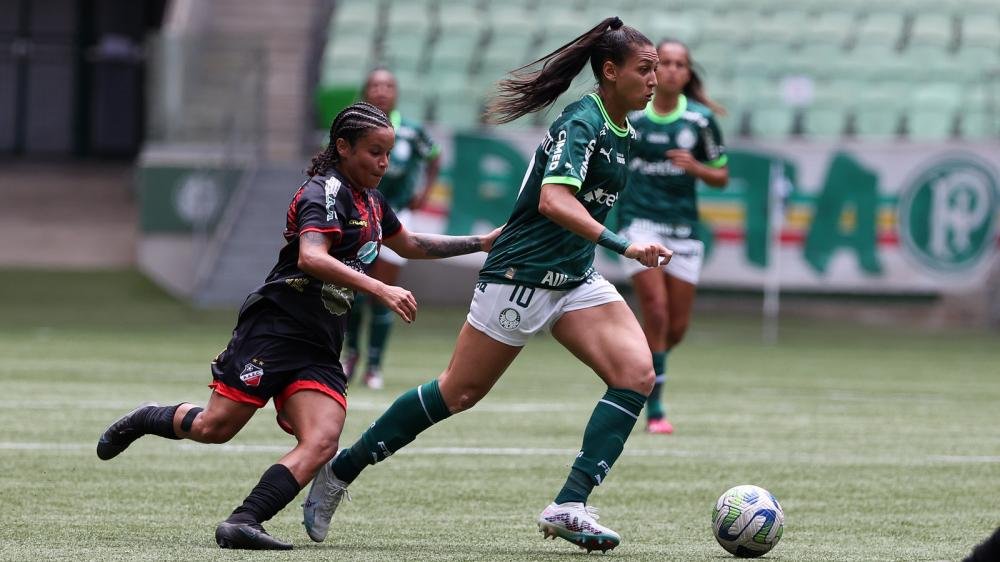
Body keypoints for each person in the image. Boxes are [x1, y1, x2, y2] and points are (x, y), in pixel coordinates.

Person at [302, 16, 668, 553]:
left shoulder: (622, 128)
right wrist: (624, 245)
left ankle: (569, 504)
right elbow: (553, 200)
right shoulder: (582, 121)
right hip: (520, 275)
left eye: (657, 68)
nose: (655, 78)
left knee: (637, 374)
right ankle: (341, 470)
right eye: (646, 68)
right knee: (459, 391)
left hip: (573, 277)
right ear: (610, 72)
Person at [95, 102, 500, 550]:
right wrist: (378, 288)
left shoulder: (372, 200)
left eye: (387, 154)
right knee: (216, 427)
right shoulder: (323, 192)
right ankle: (144, 417)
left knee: (324, 439)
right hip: (277, 326)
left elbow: (410, 244)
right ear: (343, 148)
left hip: (320, 341)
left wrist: (481, 242)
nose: (383, 164)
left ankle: (244, 520)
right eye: (373, 152)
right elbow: (312, 257)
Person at [616, 38, 728, 435]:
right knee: (657, 313)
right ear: (652, 69)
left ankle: (637, 366)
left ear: (688, 73)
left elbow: (721, 174)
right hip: (639, 224)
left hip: (683, 231)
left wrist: (696, 167)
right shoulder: (633, 118)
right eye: (665, 62)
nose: (673, 70)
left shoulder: (699, 121)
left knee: (674, 328)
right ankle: (656, 411)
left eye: (681, 63)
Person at [344, 67, 442, 390]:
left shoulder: (412, 132)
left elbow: (435, 157)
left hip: (396, 219)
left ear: (396, 92)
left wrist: (424, 195)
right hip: (356, 218)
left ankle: (373, 366)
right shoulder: (351, 130)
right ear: (365, 90)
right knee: (354, 293)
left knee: (383, 294)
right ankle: (351, 356)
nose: (382, 90)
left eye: (388, 85)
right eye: (375, 84)